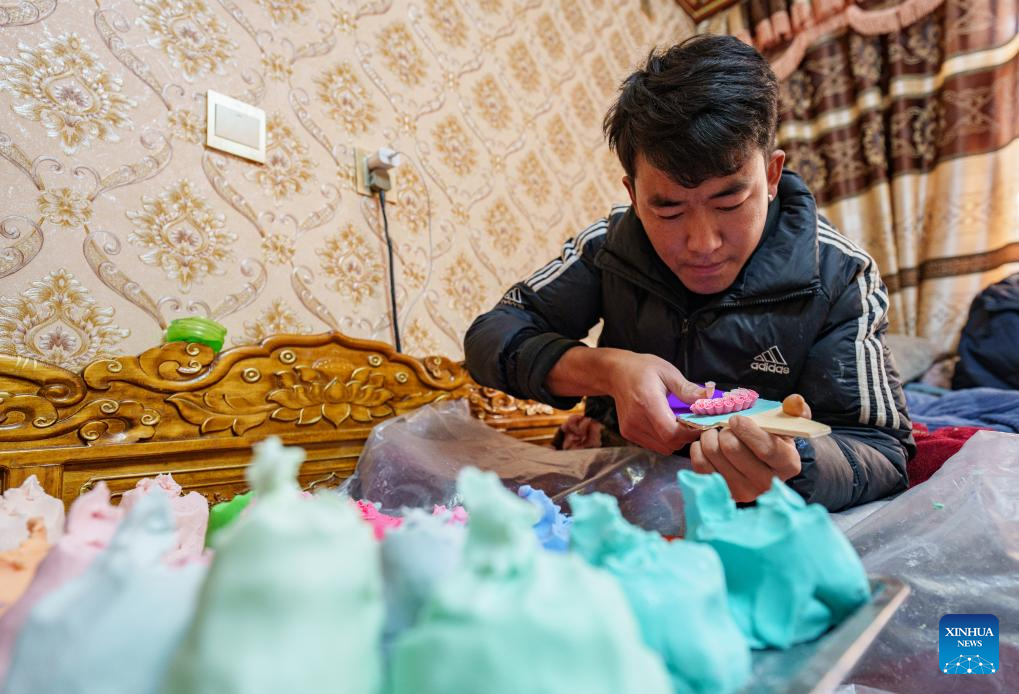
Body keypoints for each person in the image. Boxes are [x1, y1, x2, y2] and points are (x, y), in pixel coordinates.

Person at [463, 35, 914, 511]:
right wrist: (609, 370)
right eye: (669, 210)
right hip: (624, 492)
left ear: (772, 175)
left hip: (768, 517)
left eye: (729, 202)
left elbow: (883, 451)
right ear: (633, 195)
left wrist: (795, 468)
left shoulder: (839, 272)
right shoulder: (611, 246)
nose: (703, 244)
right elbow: (491, 335)